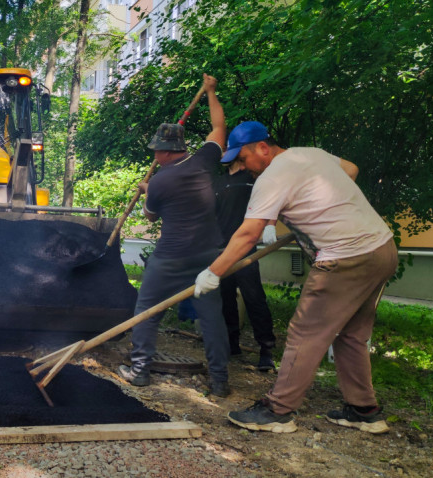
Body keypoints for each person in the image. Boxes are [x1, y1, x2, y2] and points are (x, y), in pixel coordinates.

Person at [194, 121, 397, 434]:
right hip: (381, 250)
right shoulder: (308, 155)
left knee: (306, 333)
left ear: (263, 148)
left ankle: (277, 410)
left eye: (243, 158)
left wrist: (213, 272)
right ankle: (364, 410)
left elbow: (248, 234)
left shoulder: (271, 178)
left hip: (345, 257)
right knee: (352, 334)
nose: (241, 165)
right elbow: (352, 170)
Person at [118, 73, 232, 397]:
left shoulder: (160, 183)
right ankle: (220, 381)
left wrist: (145, 192)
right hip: (209, 254)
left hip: (170, 257)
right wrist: (211, 91)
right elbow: (219, 129)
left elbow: (152, 215)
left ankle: (139, 370)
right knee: (211, 318)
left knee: (147, 309)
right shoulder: (203, 161)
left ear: (168, 152)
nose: (155, 155)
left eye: (157, 151)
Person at [214, 154, 277, 371]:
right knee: (225, 298)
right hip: (221, 250)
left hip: (245, 249)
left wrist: (271, 224)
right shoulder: (218, 181)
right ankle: (232, 344)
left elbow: (272, 200)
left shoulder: (253, 179)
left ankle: (266, 350)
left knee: (254, 298)